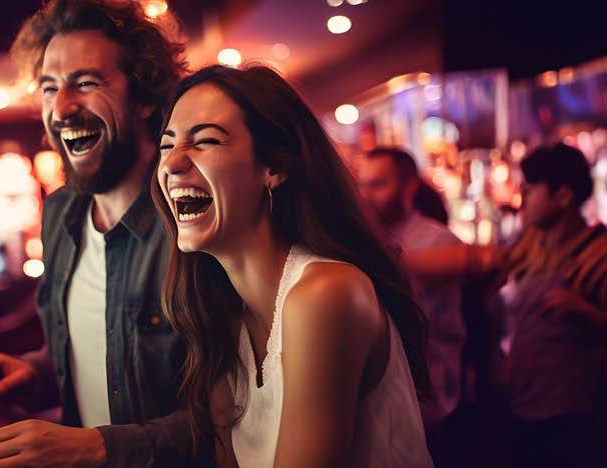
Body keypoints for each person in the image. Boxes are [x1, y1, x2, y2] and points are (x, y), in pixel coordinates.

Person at [0, 0, 203, 468]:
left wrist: (96, 447)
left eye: (86, 83)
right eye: (50, 88)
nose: (62, 108)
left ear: (143, 97)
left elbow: (240, 414)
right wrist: (37, 371)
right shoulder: (60, 214)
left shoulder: (193, 223)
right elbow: (101, 351)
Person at [152, 64, 433, 467]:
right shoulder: (222, 315)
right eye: (167, 146)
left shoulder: (327, 292)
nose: (173, 163)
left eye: (206, 141)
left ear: (275, 168)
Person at [495, 142, 607, 468]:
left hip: (572, 416)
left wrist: (586, 313)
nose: (523, 197)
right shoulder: (529, 247)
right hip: (520, 404)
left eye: (531, 190)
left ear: (564, 197)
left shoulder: (598, 254)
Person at [356, 147, 466, 464]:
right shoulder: (369, 238)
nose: (366, 195)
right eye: (362, 185)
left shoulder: (436, 240)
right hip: (389, 393)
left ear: (409, 187)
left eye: (378, 185)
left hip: (428, 390)